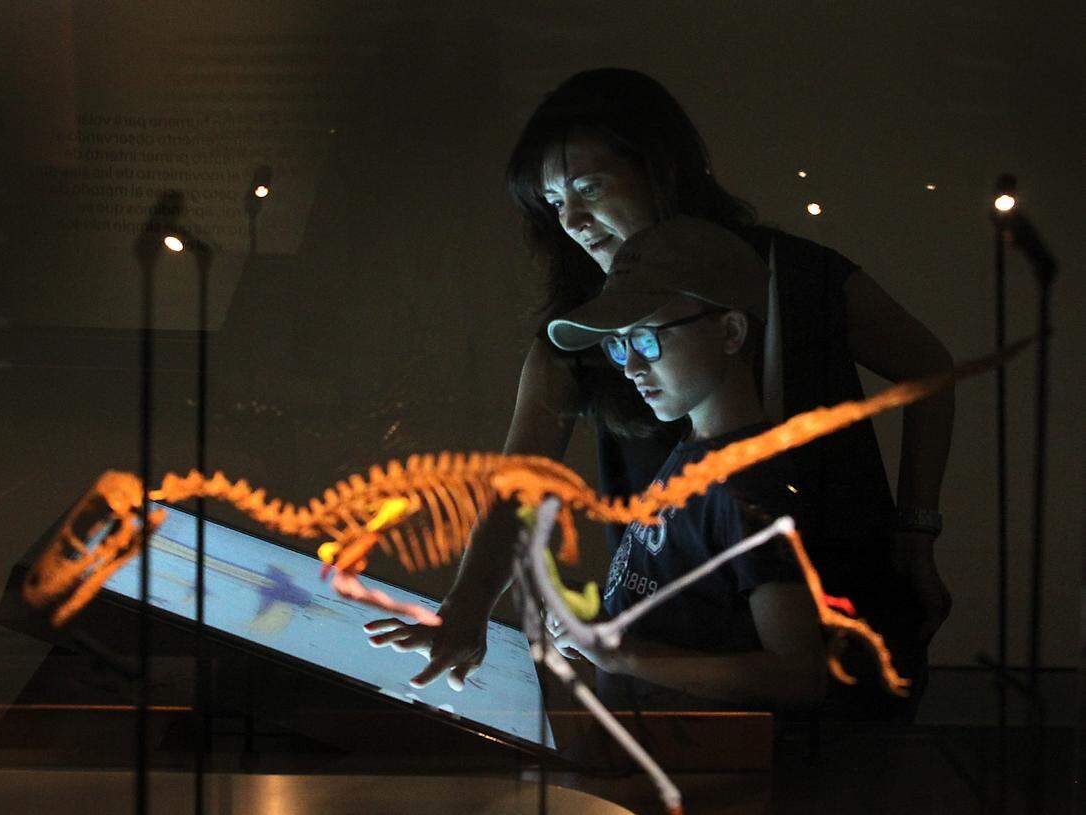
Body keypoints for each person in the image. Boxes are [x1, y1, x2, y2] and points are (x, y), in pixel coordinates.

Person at [365, 68, 953, 719]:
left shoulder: (792, 274)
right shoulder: (577, 333)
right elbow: (518, 487)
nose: (573, 220)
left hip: (840, 633)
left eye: (589, 187)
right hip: (683, 681)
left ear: (660, 168)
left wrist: (916, 532)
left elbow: (928, 368)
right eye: (554, 203)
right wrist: (467, 608)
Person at [544, 216, 827, 712]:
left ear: (731, 330)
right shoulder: (694, 452)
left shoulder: (751, 484)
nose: (631, 367)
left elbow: (798, 675)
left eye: (647, 339)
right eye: (619, 345)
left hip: (706, 756)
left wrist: (622, 654)